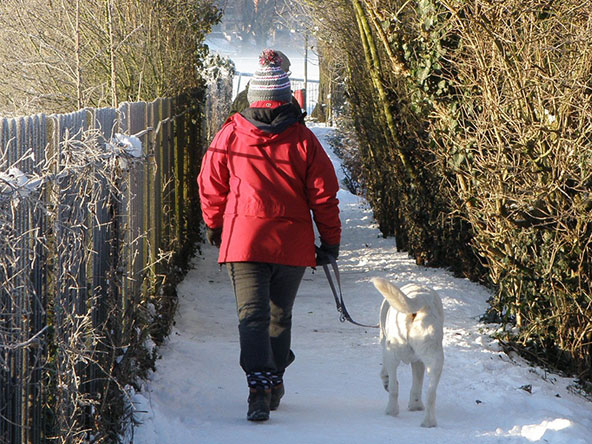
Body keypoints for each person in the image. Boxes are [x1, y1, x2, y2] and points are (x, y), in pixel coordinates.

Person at [198, 49, 341, 422]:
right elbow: (324, 194)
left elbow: (210, 185)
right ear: (286, 96)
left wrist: (215, 225)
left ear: (252, 95)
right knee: (279, 316)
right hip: (290, 246)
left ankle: (258, 387)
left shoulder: (230, 134)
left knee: (252, 317)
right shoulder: (303, 140)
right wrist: (330, 241)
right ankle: (273, 378)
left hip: (243, 241)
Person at [227, 50, 303, 117]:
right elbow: (301, 129)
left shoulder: (242, 98)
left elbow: (229, 125)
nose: (287, 76)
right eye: (286, 72)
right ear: (278, 71)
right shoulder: (290, 104)